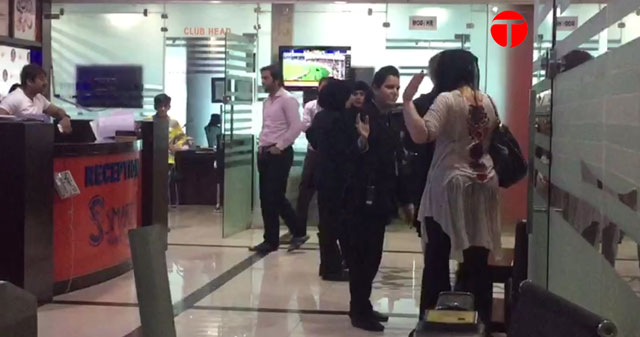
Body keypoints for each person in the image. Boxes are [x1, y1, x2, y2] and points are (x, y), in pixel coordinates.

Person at [402, 49, 500, 327]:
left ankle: (436, 323)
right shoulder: (487, 100)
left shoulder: (447, 99)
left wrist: (408, 101)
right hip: (484, 182)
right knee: (477, 257)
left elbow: (423, 134)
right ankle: (478, 321)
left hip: (449, 185)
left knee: (437, 257)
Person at [345, 66, 414, 332]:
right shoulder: (364, 116)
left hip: (379, 200)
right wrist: (362, 143)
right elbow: (351, 155)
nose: (394, 92)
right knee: (363, 258)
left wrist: (403, 199)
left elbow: (394, 163)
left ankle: (362, 305)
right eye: (389, 87)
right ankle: (358, 310)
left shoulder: (387, 118)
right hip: (362, 200)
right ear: (375, 88)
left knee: (371, 257)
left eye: (397, 87)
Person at [250, 64, 308, 254]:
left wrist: (279, 146)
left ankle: (292, 232)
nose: (263, 82)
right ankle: (275, 238)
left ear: (276, 79)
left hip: (279, 154)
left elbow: (296, 127)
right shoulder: (267, 102)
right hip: (265, 151)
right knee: (267, 197)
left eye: (266, 78)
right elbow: (267, 126)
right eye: (262, 78)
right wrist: (261, 146)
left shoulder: (287, 100)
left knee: (274, 195)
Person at [306, 79, 359, 282]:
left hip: (323, 174)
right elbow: (348, 150)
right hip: (339, 177)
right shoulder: (342, 120)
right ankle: (333, 267)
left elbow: (313, 138)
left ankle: (328, 264)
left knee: (326, 222)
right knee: (338, 222)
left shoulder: (320, 118)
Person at [293, 76, 331, 245]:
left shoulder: (338, 107)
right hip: (314, 153)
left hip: (331, 156)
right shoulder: (311, 106)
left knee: (328, 196)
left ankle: (328, 231)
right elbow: (305, 126)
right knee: (304, 193)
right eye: (321, 88)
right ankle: (299, 231)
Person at [0, 64, 72, 133]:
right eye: (41, 79)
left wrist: (65, 118)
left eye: (45, 79)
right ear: (29, 81)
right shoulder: (14, 98)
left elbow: (57, 111)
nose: (46, 83)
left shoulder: (40, 98)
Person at [152, 93, 188, 208]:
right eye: (160, 106)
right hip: (151, 157)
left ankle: (163, 207)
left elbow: (183, 138)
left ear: (168, 107)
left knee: (164, 184)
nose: (162, 108)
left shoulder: (173, 123)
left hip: (168, 158)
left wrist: (176, 146)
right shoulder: (149, 121)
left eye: (165, 106)